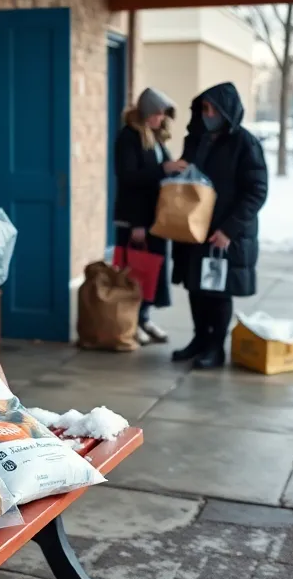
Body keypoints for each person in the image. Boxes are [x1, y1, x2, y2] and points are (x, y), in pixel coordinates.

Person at [170, 82, 268, 369]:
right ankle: (199, 339)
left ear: (226, 111)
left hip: (224, 231)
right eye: (203, 108)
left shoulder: (245, 144)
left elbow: (256, 191)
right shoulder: (198, 139)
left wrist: (229, 229)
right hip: (194, 229)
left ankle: (216, 347)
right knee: (195, 288)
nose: (207, 113)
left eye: (212, 109)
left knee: (218, 291)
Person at [113, 87, 189, 346]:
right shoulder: (129, 137)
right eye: (158, 114)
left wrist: (174, 170)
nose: (161, 119)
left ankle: (143, 318)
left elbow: (157, 173)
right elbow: (128, 177)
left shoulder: (154, 138)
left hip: (154, 217)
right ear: (146, 112)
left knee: (151, 270)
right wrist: (137, 224)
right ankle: (130, 320)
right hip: (136, 217)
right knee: (135, 271)